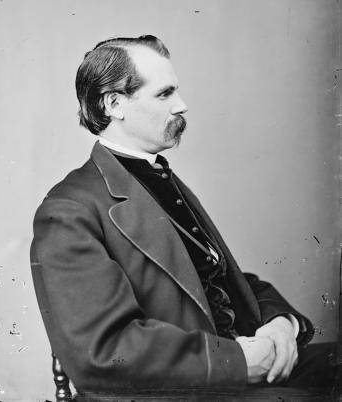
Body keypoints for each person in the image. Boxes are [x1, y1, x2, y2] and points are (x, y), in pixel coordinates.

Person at [30, 35, 337, 397]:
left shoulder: (159, 178)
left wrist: (282, 324)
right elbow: (106, 351)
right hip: (182, 390)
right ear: (114, 104)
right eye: (164, 94)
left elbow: (223, 278)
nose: (182, 105)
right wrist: (238, 359)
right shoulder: (69, 209)